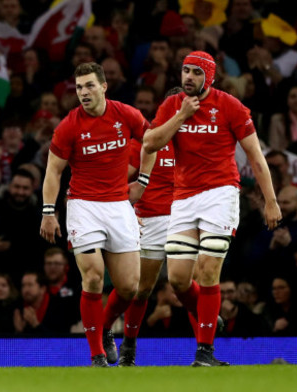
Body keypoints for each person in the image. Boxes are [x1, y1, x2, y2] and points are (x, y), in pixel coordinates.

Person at [143, 51, 282, 366]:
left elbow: (257, 158)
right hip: (183, 196)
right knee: (178, 279)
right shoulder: (171, 105)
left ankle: (204, 352)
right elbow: (150, 143)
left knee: (207, 270)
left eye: (195, 72)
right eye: (185, 71)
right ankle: (209, 316)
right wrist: (180, 116)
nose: (188, 77)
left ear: (210, 77)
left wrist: (271, 200)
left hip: (220, 194)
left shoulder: (231, 106)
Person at [40, 62, 155, 367]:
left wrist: (142, 181)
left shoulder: (126, 114)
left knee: (130, 286)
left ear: (104, 86)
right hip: (83, 206)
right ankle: (97, 356)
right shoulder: (68, 125)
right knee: (92, 277)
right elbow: (53, 170)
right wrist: (48, 212)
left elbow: (152, 141)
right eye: (78, 88)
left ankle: (104, 328)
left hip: (119, 206)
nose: (83, 93)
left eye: (89, 85)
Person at [102, 87, 179, 366]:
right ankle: (128, 345)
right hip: (151, 219)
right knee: (141, 290)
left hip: (185, 218)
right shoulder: (147, 140)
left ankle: (204, 351)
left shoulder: (197, 141)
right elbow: (118, 181)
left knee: (194, 283)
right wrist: (122, 209)